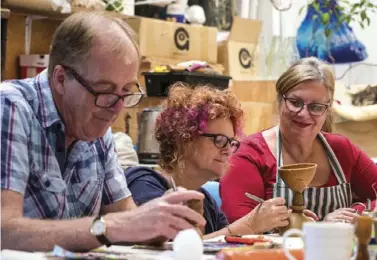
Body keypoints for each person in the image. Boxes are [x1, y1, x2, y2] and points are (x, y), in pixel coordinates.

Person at [0, 11, 205, 252]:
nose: (117, 107)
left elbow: (127, 220)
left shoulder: (96, 128)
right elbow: (4, 231)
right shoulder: (10, 108)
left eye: (126, 91)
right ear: (60, 79)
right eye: (104, 90)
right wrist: (111, 227)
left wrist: (165, 223)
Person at [220, 57, 377, 225]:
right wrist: (320, 226)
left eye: (316, 107)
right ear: (279, 101)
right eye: (295, 103)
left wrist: (357, 213)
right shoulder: (250, 154)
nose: (303, 113)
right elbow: (240, 227)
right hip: (273, 251)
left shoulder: (341, 150)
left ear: (326, 111)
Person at [125, 83, 291, 238]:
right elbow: (171, 249)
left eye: (231, 142)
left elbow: (219, 248)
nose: (228, 150)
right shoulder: (143, 183)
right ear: (185, 138)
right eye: (219, 140)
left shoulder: (206, 202)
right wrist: (250, 225)